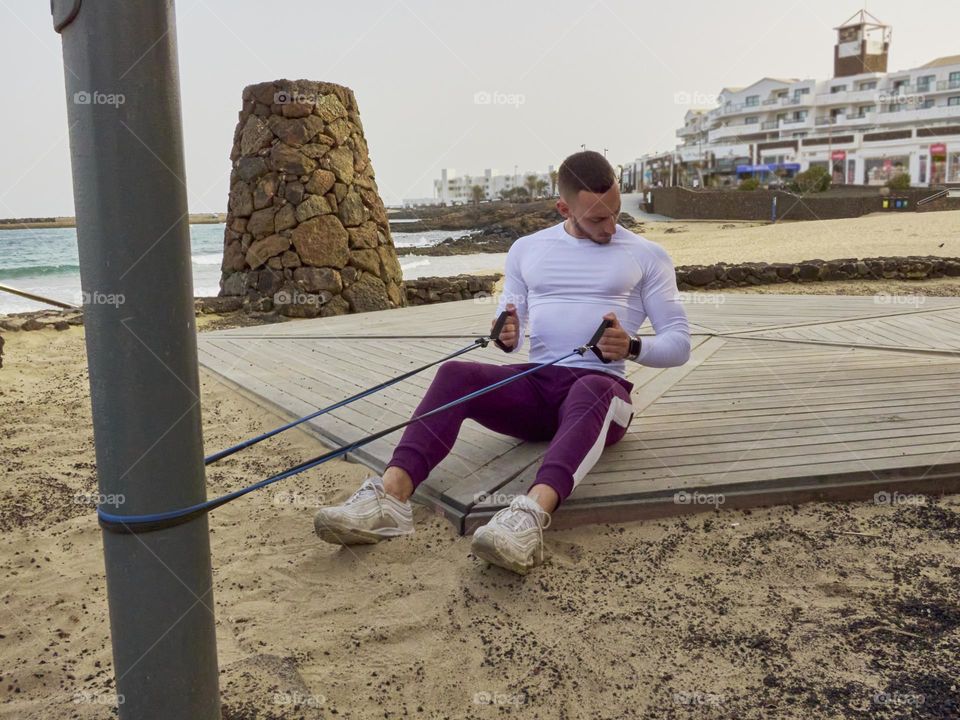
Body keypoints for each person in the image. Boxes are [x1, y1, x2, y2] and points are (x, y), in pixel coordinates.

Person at [313, 150, 691, 574]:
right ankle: (391, 499)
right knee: (455, 374)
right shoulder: (527, 249)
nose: (611, 228)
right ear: (564, 207)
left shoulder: (647, 255)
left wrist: (634, 347)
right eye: (597, 220)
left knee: (592, 388)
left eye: (615, 214)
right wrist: (507, 335)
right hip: (539, 388)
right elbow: (512, 322)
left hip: (603, 392)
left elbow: (680, 344)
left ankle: (528, 517)